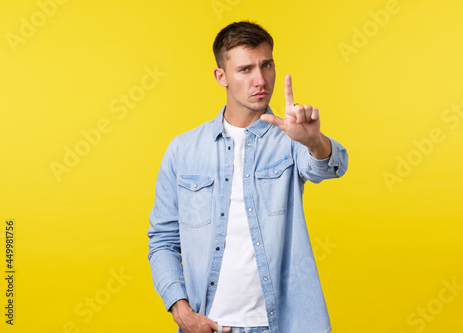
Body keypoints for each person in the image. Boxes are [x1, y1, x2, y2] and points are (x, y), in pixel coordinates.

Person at [148, 21, 348, 333]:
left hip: (284, 324)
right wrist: (181, 310)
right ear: (221, 76)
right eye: (245, 69)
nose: (260, 80)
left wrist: (313, 141)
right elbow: (163, 240)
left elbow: (328, 167)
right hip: (209, 325)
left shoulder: (291, 139)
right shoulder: (183, 150)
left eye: (266, 65)